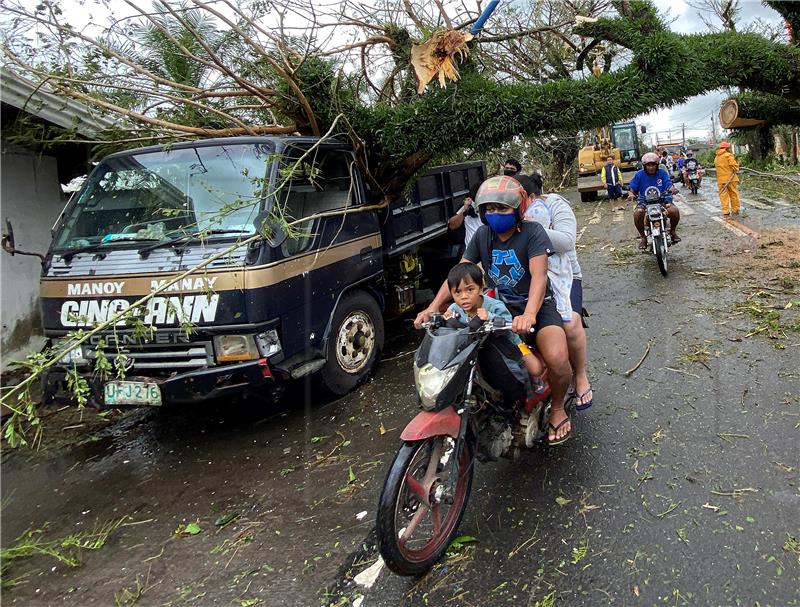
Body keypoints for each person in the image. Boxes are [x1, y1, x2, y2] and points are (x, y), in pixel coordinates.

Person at [414, 176, 573, 445]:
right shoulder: (482, 235)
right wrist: (432, 308)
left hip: (536, 307)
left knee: (557, 357)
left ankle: (557, 408)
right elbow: (459, 275)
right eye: (489, 209)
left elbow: (539, 277)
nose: (495, 214)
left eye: (502, 208)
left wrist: (530, 314)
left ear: (518, 208)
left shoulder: (534, 233)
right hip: (497, 305)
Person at [521, 174, 593, 411]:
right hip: (529, 277)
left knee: (571, 323)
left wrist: (526, 231)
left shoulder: (554, 205)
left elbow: (567, 241)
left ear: (531, 197)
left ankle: (580, 376)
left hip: (564, 276)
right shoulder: (506, 215)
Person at [442, 262, 546, 391]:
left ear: (480, 288)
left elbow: (508, 322)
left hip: (508, 344)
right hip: (473, 348)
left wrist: (490, 316)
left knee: (535, 369)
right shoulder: (454, 309)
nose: (464, 297)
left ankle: (534, 381)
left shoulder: (495, 305)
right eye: (457, 292)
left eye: (470, 290)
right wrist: (446, 319)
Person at [628, 152, 680, 250]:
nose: (651, 167)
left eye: (653, 165)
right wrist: (631, 194)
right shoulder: (639, 175)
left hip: (662, 200)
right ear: (644, 166)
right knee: (637, 213)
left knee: (674, 211)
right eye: (648, 165)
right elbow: (632, 187)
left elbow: (668, 183)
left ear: (657, 165)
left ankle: (673, 231)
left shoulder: (662, 173)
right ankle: (643, 237)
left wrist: (672, 189)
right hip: (644, 201)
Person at [447, 183, 482, 251]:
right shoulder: (468, 207)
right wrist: (465, 211)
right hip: (471, 251)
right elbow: (452, 225)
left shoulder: (493, 208)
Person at [714, 141, 740, 217]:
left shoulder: (716, 157)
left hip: (721, 180)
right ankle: (735, 209)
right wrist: (736, 168)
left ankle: (725, 211)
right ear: (726, 148)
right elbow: (734, 166)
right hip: (731, 179)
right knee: (733, 194)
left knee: (723, 196)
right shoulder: (728, 155)